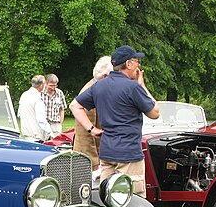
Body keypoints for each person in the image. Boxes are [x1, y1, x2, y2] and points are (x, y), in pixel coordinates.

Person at [69, 45, 160, 198]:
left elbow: (74, 105)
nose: (139, 66)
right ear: (129, 64)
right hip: (129, 154)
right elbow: (155, 113)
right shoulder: (133, 87)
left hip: (106, 153)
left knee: (107, 198)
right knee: (131, 200)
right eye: (137, 62)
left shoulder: (99, 86)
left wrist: (92, 129)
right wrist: (142, 85)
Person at [73, 56, 113, 171]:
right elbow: (86, 134)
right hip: (88, 158)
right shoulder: (90, 92)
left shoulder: (95, 88)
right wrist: (94, 162)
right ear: (105, 76)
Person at [18, 75, 52, 141]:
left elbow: (19, 114)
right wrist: (50, 133)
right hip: (36, 137)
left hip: (26, 136)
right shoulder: (37, 99)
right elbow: (41, 119)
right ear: (41, 85)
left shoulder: (24, 95)